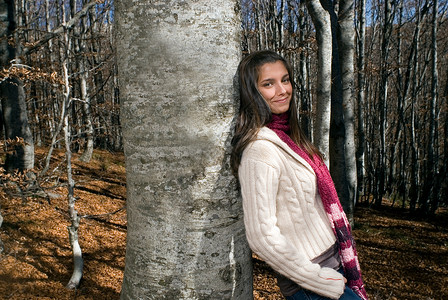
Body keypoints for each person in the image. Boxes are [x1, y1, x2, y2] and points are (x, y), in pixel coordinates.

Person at [231, 50, 368, 300]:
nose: (282, 90)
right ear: (253, 93)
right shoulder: (260, 149)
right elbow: (261, 236)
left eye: (285, 79)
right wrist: (318, 280)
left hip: (331, 268)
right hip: (311, 285)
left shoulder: (289, 138)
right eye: (268, 84)